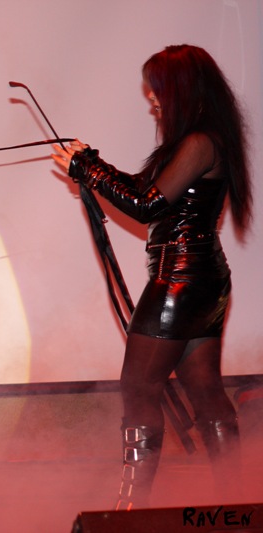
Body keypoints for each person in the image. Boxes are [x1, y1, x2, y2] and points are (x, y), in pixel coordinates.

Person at [52, 44, 252, 510]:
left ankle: (129, 510)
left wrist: (89, 170)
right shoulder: (203, 139)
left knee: (140, 388)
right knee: (205, 392)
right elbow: (150, 192)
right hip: (204, 281)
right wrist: (92, 164)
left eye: (157, 91)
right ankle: (237, 504)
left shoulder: (199, 142)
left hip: (180, 281)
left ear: (181, 88)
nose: (152, 100)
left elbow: (146, 207)